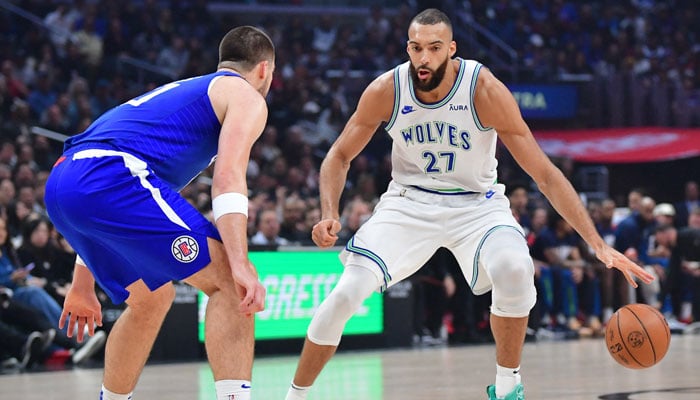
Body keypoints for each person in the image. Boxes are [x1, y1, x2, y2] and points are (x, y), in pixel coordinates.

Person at [284, 9, 654, 400]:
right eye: (415, 47)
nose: (422, 58)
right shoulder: (387, 90)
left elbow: (544, 173)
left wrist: (596, 244)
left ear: (451, 49)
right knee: (345, 294)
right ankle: (295, 396)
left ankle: (508, 385)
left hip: (477, 205)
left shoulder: (484, 90)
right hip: (408, 203)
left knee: (515, 268)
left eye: (433, 48)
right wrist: (329, 212)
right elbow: (338, 156)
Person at [43, 26, 273, 400]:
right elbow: (228, 178)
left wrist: (83, 284)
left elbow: (103, 201)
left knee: (151, 298)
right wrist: (241, 261)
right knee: (231, 283)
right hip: (112, 175)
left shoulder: (184, 95)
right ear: (264, 70)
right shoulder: (245, 95)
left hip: (63, 180)